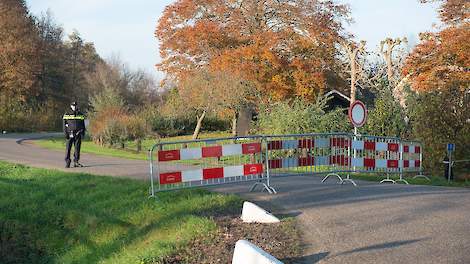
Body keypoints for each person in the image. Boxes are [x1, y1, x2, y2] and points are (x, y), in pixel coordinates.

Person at [63, 101, 86, 168]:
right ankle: (67, 162)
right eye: (73, 105)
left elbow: (83, 125)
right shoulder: (67, 114)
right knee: (68, 149)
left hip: (78, 134)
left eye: (75, 105)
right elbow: (64, 125)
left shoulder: (80, 114)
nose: (74, 107)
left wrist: (83, 133)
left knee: (77, 149)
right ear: (71, 106)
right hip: (70, 134)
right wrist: (65, 134)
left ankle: (76, 162)